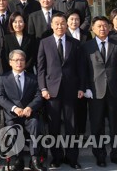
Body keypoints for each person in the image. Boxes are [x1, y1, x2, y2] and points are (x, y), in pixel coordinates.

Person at [37, 13, 83, 169]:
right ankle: (56, 157)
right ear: (51, 25)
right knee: (53, 126)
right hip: (51, 91)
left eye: (63, 23)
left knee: (71, 126)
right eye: (56, 23)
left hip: (71, 90)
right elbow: (41, 69)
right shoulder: (44, 43)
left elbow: (81, 69)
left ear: (67, 25)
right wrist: (43, 88)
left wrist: (81, 87)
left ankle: (72, 157)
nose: (60, 26)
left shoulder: (75, 43)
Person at [82, 16, 117, 168]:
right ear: (93, 29)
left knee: (115, 125)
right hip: (95, 92)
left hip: (114, 91)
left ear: (109, 28)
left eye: (104, 26)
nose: (102, 28)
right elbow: (83, 70)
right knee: (97, 126)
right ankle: (100, 154)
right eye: (99, 26)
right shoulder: (87, 46)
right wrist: (86, 88)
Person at [0, 49, 45, 171]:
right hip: (12, 115)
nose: (19, 63)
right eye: (16, 60)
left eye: (22, 60)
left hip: (29, 114)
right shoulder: (3, 78)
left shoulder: (32, 78)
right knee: (13, 127)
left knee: (34, 124)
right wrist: (14, 108)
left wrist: (30, 107)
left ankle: (34, 159)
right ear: (10, 62)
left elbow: (39, 96)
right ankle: (19, 159)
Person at [66, 9, 92, 135]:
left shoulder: (87, 34)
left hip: (83, 73)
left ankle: (81, 132)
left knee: (82, 106)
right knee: (70, 107)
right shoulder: (63, 34)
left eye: (77, 19)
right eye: (71, 19)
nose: (74, 21)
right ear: (67, 21)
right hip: (68, 76)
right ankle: (72, 133)